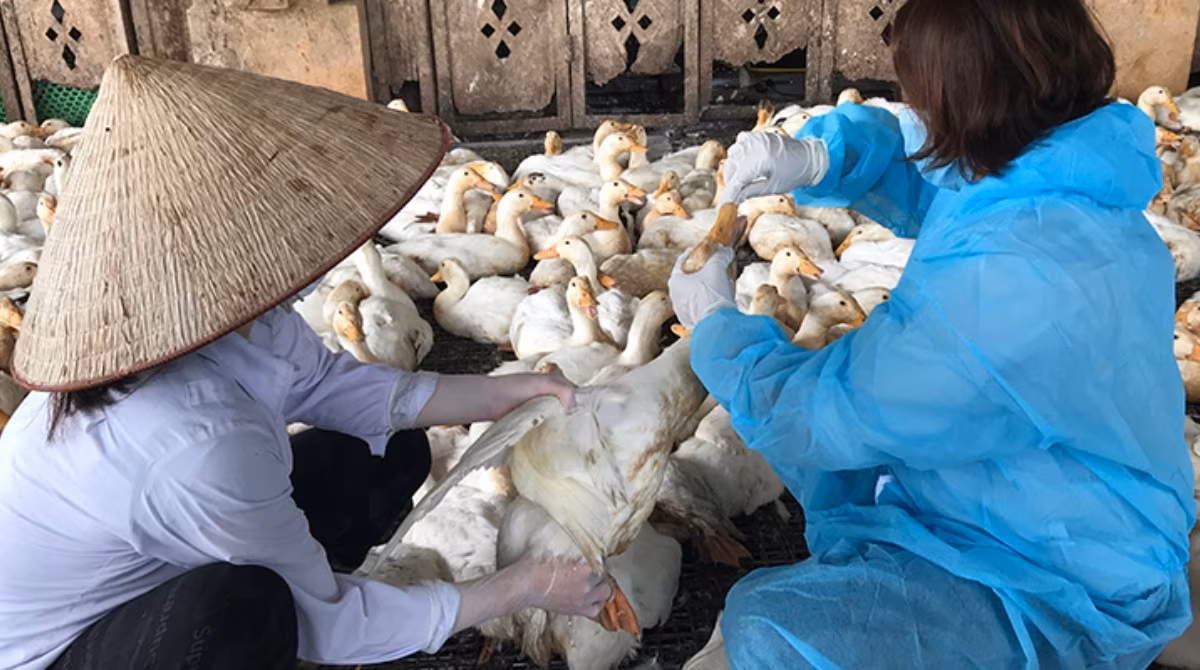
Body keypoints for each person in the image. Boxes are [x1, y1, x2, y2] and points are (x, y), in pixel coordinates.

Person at [0, 56, 612, 670]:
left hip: (161, 552)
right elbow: (328, 623)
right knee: (249, 608)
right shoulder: (191, 441)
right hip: (62, 649)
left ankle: (311, 613)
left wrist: (512, 393)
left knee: (383, 455)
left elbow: (334, 386)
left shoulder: (203, 323)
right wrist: (527, 586)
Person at [668, 0, 1195, 667]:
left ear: (969, 99)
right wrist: (821, 158)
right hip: (1055, 502)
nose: (912, 105)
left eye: (919, 92)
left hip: (1057, 577)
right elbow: (948, 176)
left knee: (768, 624)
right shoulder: (1066, 181)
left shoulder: (1009, 287)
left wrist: (718, 332)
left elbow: (833, 412)